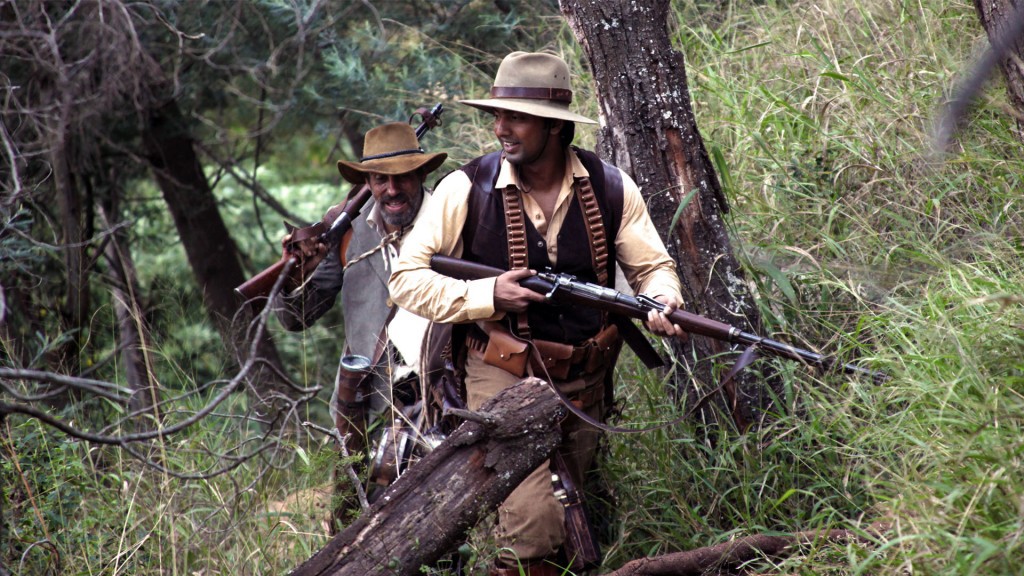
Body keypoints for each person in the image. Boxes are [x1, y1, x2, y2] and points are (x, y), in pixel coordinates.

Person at [389, 51, 685, 575]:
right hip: (499, 375)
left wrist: (663, 298)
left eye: (516, 117)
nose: (500, 128)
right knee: (532, 532)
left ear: (553, 127)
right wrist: (487, 297)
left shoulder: (611, 185)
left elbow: (653, 268)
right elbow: (406, 279)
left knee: (580, 525)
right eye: (497, 116)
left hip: (585, 380)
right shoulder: (466, 188)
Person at [274, 121, 447, 530]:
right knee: (353, 524)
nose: (392, 189)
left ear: (422, 174)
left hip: (440, 397)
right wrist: (294, 273)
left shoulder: (450, 220)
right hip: (362, 405)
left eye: (402, 176)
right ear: (367, 182)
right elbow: (295, 319)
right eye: (380, 179)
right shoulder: (347, 230)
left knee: (438, 522)